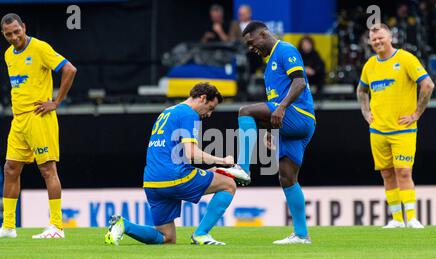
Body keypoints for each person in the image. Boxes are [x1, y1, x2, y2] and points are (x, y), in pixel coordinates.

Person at [105, 83, 237, 246]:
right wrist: (222, 161)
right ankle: (201, 234)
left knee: (167, 238)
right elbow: (192, 153)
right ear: (202, 98)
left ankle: (124, 225)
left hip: (152, 182)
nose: (209, 114)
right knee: (228, 185)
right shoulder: (189, 114)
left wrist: (210, 170)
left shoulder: (167, 112)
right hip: (174, 177)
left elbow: (176, 154)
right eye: (210, 108)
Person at [220, 21, 316, 245]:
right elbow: (273, 106)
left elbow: (300, 82)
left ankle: (242, 167)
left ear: (263, 34)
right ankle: (302, 235)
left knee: (245, 111)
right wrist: (271, 128)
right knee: (287, 177)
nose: (252, 48)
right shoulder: (269, 65)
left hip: (298, 114)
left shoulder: (285, 50)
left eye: (252, 42)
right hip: (289, 123)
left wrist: (281, 108)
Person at [0, 13, 77, 239]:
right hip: (19, 120)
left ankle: (56, 226)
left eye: (17, 31)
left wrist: (56, 102)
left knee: (47, 169)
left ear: (24, 27)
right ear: (4, 35)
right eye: (8, 34)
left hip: (39, 117)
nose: (14, 37)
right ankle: (9, 226)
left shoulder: (40, 48)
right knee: (10, 168)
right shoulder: (8, 55)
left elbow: (69, 69)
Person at [357, 23, 434, 229]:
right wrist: (366, 113)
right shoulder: (370, 65)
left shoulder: (405, 59)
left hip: (403, 130)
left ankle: (412, 218)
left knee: (404, 172)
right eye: (374, 40)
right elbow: (361, 90)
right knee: (387, 173)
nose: (377, 42)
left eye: (381, 37)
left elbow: (428, 84)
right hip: (378, 130)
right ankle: (397, 220)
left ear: (390, 37)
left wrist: (416, 113)